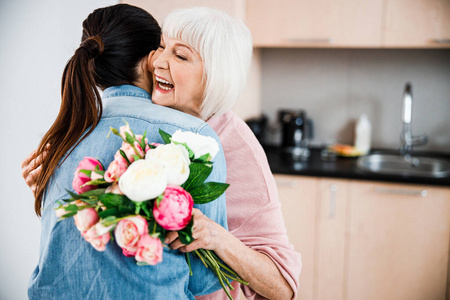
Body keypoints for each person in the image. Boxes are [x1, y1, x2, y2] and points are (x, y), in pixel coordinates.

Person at [23, 6, 302, 300]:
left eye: (180, 55)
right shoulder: (140, 123)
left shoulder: (233, 143)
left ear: (216, 76)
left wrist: (219, 238)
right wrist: (53, 185)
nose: (156, 61)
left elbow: (282, 287)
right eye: (161, 47)